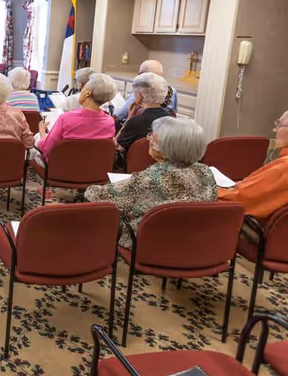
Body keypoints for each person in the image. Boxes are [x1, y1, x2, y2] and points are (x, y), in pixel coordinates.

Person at [86, 117, 217, 247]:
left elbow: (95, 196)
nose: (149, 139)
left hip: (153, 244)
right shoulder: (205, 172)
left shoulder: (149, 178)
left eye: (153, 137)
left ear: (166, 147)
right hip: (195, 243)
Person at [219, 105, 288, 221]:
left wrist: (208, 188)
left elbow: (238, 200)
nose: (275, 130)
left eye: (279, 125)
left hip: (262, 233)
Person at [34, 73, 118, 162]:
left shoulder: (66, 118)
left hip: (63, 168)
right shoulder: (109, 121)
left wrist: (42, 132)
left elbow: (46, 149)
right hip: (93, 167)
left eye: (83, 88)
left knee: (37, 141)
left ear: (88, 92)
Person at [115, 72, 173, 157]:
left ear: (139, 96)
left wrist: (129, 119)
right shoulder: (171, 118)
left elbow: (117, 147)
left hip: (136, 168)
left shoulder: (135, 122)